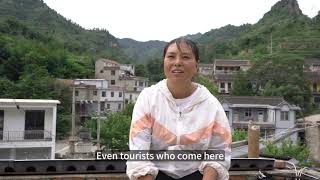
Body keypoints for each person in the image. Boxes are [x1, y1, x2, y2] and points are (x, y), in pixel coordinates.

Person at [126, 38, 231, 180]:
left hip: (197, 175)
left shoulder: (211, 105)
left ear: (196, 65)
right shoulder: (148, 98)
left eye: (186, 57)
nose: (177, 62)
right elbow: (139, 155)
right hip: (154, 175)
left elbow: (219, 153)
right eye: (171, 56)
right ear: (164, 62)